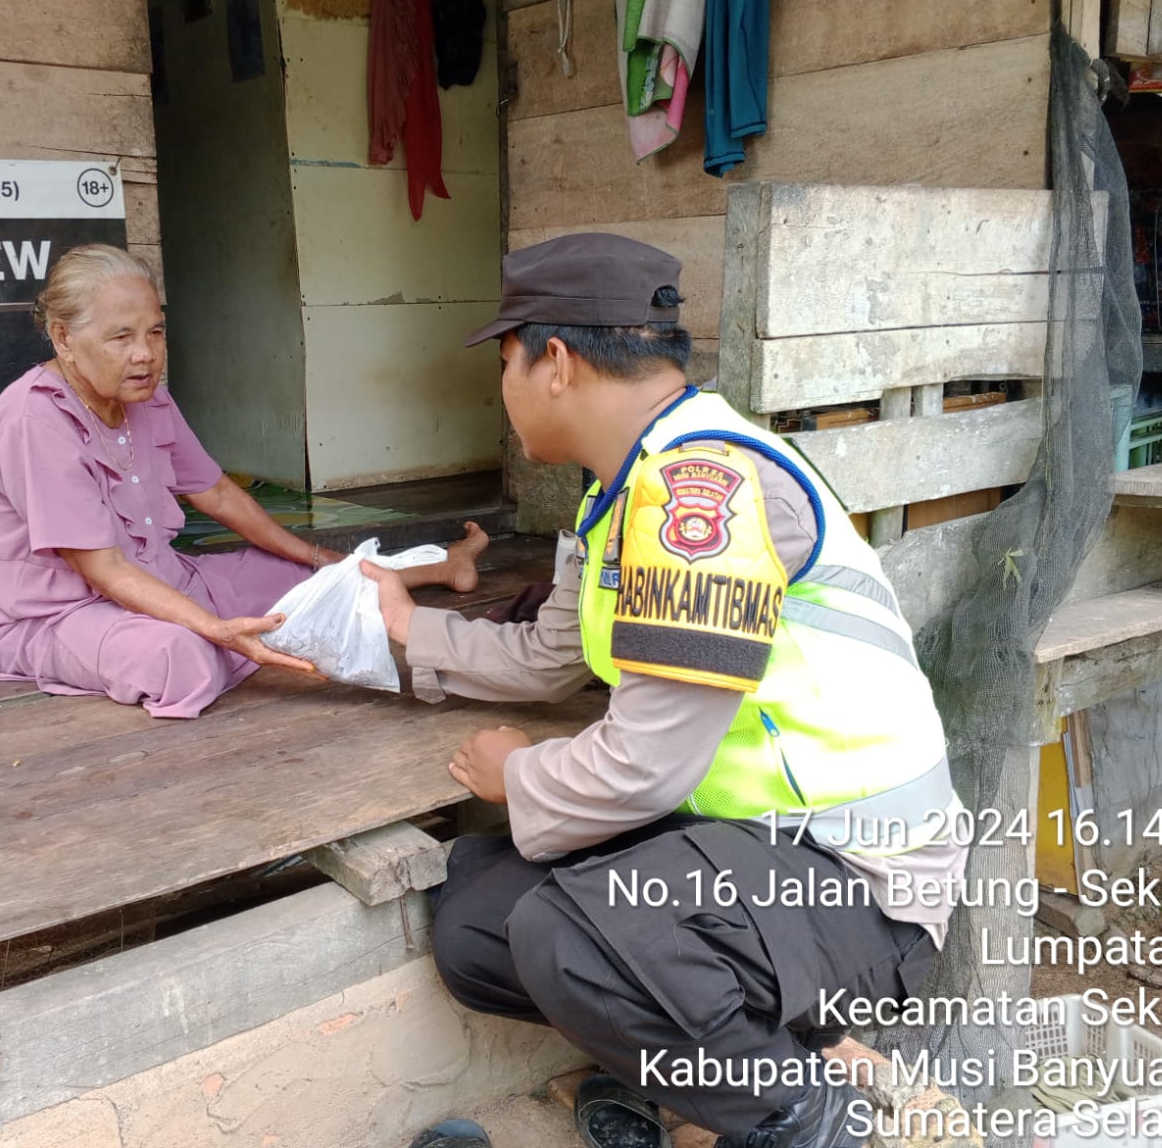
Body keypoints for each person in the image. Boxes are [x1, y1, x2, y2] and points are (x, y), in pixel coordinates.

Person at [360, 234, 971, 1148]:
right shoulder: (619, 491)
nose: (504, 386)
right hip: (753, 848)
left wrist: (519, 775)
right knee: (480, 920)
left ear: (555, 361)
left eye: (504, 362)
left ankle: (811, 1122)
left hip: (861, 881)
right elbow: (549, 656)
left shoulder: (705, 491)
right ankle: (778, 1054)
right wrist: (399, 631)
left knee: (577, 937)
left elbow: (647, 763)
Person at [0, 243, 487, 719]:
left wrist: (317, 559)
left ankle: (444, 565)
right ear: (63, 339)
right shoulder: (36, 420)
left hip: (161, 578)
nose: (145, 353)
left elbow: (216, 493)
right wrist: (212, 627)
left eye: (155, 332)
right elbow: (104, 570)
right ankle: (222, 638)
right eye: (121, 336)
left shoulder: (146, 396)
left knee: (303, 582)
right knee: (180, 658)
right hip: (57, 614)